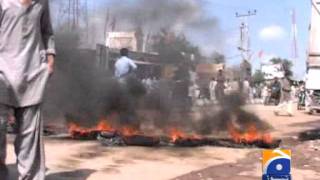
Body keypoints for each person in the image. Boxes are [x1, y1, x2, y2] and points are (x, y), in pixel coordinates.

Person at [0, 0, 55, 179]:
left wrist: (50, 60)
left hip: (33, 73)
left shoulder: (41, 2)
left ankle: (29, 176)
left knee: (29, 134)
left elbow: (47, 32)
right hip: (2, 73)